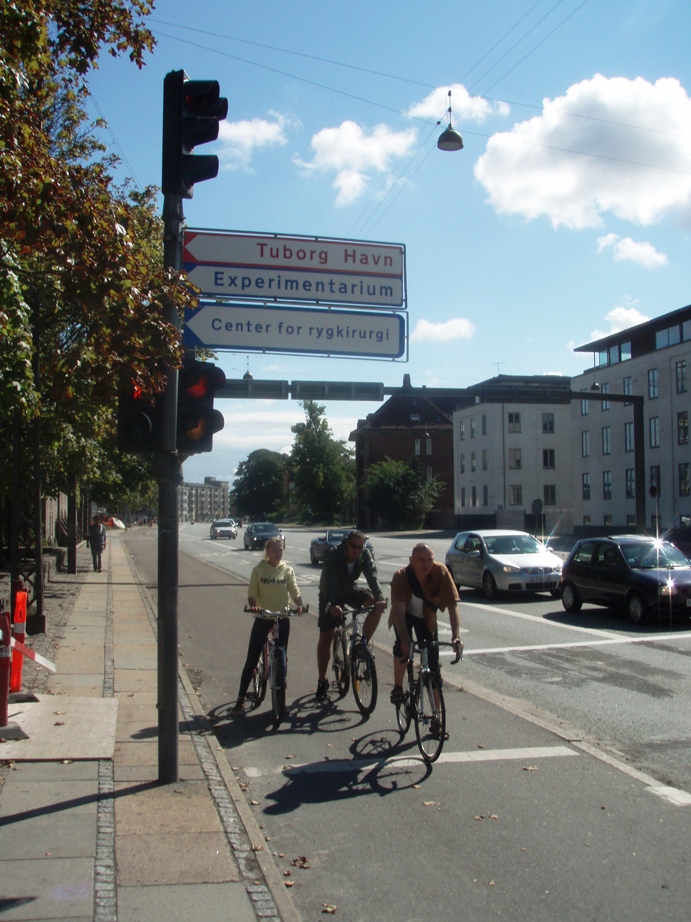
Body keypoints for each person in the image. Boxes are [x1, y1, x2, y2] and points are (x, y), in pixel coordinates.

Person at [389, 543, 463, 739]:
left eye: (429, 559)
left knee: (433, 668)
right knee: (402, 648)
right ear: (411, 561)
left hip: (426, 618)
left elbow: (453, 606)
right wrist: (404, 638)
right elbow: (397, 608)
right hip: (404, 616)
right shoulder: (401, 576)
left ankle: (437, 719)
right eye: (421, 560)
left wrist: (456, 636)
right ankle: (398, 687)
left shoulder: (441, 572)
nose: (426, 564)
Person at [231, 537, 304, 715]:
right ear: (267, 551)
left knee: (282, 656)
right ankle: (240, 699)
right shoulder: (258, 570)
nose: (278, 554)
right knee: (252, 658)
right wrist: (254, 605)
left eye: (281, 550)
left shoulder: (287, 570)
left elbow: (294, 590)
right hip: (263, 616)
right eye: (275, 550)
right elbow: (252, 593)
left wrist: (299, 604)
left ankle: (280, 698)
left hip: (282, 616)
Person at [315, 529, 386, 701]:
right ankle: (322, 680)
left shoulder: (364, 555)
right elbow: (327, 581)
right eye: (354, 547)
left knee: (373, 603)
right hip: (330, 595)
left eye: (360, 547)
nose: (357, 551)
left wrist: (380, 598)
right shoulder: (334, 554)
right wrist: (331, 604)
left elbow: (372, 576)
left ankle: (362, 645)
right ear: (347, 544)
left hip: (349, 590)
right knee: (326, 637)